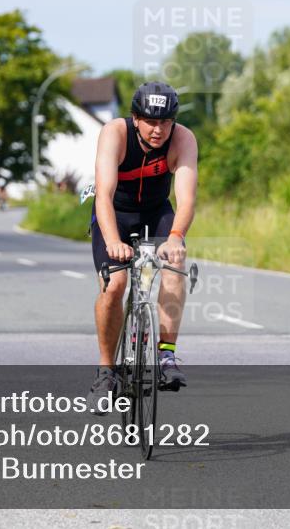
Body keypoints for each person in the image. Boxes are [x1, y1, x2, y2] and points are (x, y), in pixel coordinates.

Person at [85, 82, 198, 414]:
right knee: (115, 284)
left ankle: (166, 355)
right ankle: (106, 372)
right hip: (115, 214)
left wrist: (175, 237)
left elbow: (186, 199)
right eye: (150, 121)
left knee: (175, 264)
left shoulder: (183, 139)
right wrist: (113, 242)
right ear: (136, 118)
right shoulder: (115, 133)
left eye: (165, 122)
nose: (158, 130)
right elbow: (103, 195)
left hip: (156, 211)